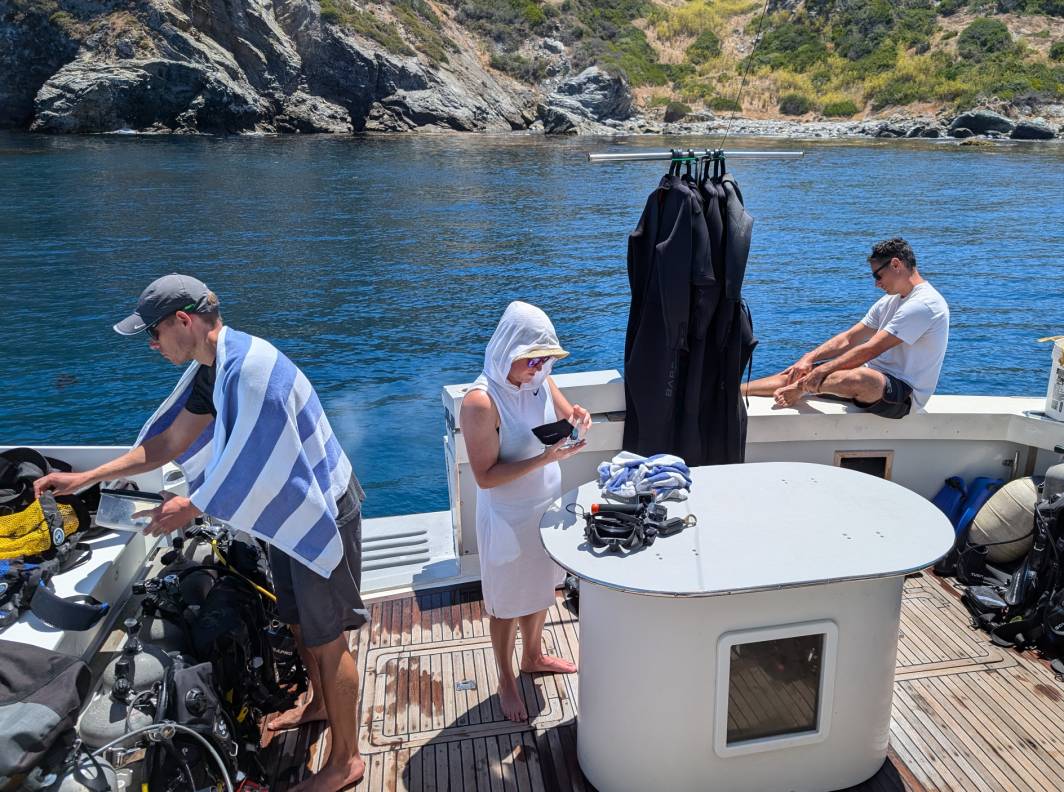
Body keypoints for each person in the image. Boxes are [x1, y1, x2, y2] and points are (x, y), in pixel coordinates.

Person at [33, 274, 365, 792]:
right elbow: (170, 441)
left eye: (153, 332)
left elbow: (255, 461)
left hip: (318, 511)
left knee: (327, 638)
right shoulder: (214, 370)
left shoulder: (252, 369)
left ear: (182, 321)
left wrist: (189, 508)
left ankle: (347, 761)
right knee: (299, 625)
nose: (151, 344)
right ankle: (321, 705)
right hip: (285, 511)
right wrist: (85, 477)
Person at [460, 301, 590, 722]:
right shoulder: (481, 401)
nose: (538, 367)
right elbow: (485, 476)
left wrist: (578, 419)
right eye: (531, 359)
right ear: (506, 351)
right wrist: (544, 460)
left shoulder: (541, 379)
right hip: (507, 517)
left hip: (545, 507)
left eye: (546, 359)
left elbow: (567, 413)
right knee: (505, 604)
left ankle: (533, 655)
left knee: (542, 588)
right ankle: (505, 678)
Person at [743, 238, 949, 419]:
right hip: (870, 376)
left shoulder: (925, 304)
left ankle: (802, 388)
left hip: (903, 395)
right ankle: (737, 391)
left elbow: (871, 349)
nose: (877, 284)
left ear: (896, 264)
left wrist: (819, 372)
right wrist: (809, 358)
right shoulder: (890, 301)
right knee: (803, 370)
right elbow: (849, 338)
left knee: (862, 378)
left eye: (877, 275)